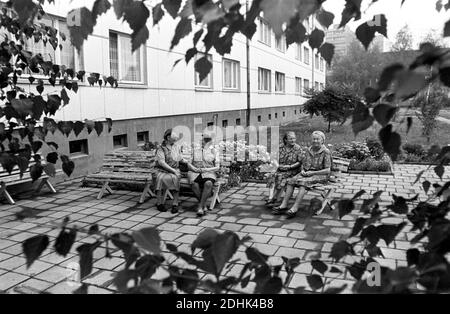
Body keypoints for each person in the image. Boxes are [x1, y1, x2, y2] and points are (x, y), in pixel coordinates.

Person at [273, 131, 332, 219]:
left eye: (317, 139)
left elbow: (327, 170)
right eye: (314, 139)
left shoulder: (326, 152)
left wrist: (312, 173)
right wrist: (303, 170)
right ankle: (284, 205)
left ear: (322, 140)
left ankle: (295, 208)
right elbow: (304, 163)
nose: (315, 141)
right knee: (291, 181)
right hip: (308, 174)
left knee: (302, 184)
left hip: (320, 175)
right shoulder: (309, 150)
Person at [154, 129, 195, 214]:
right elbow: (162, 163)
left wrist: (188, 163)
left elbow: (180, 158)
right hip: (162, 170)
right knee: (159, 178)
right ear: (168, 137)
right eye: (174, 135)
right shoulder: (161, 148)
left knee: (176, 178)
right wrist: (173, 170)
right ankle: (159, 203)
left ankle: (175, 204)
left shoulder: (176, 146)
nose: (176, 137)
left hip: (174, 169)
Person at [266, 132, 303, 207]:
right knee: (272, 175)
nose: (293, 140)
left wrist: (289, 166)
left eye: (294, 138)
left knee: (281, 177)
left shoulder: (297, 148)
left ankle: (276, 198)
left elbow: (300, 162)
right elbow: (274, 158)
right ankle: (271, 197)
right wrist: (278, 165)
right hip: (281, 168)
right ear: (286, 140)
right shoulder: (280, 147)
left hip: (293, 170)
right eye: (290, 139)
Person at [188, 134, 220, 217]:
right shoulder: (196, 150)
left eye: (203, 141)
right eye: (201, 141)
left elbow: (217, 167)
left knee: (208, 183)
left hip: (209, 173)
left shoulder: (214, 151)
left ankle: (200, 206)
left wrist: (207, 170)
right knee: (194, 184)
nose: (201, 142)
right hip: (196, 172)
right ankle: (203, 205)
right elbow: (189, 163)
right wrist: (193, 168)